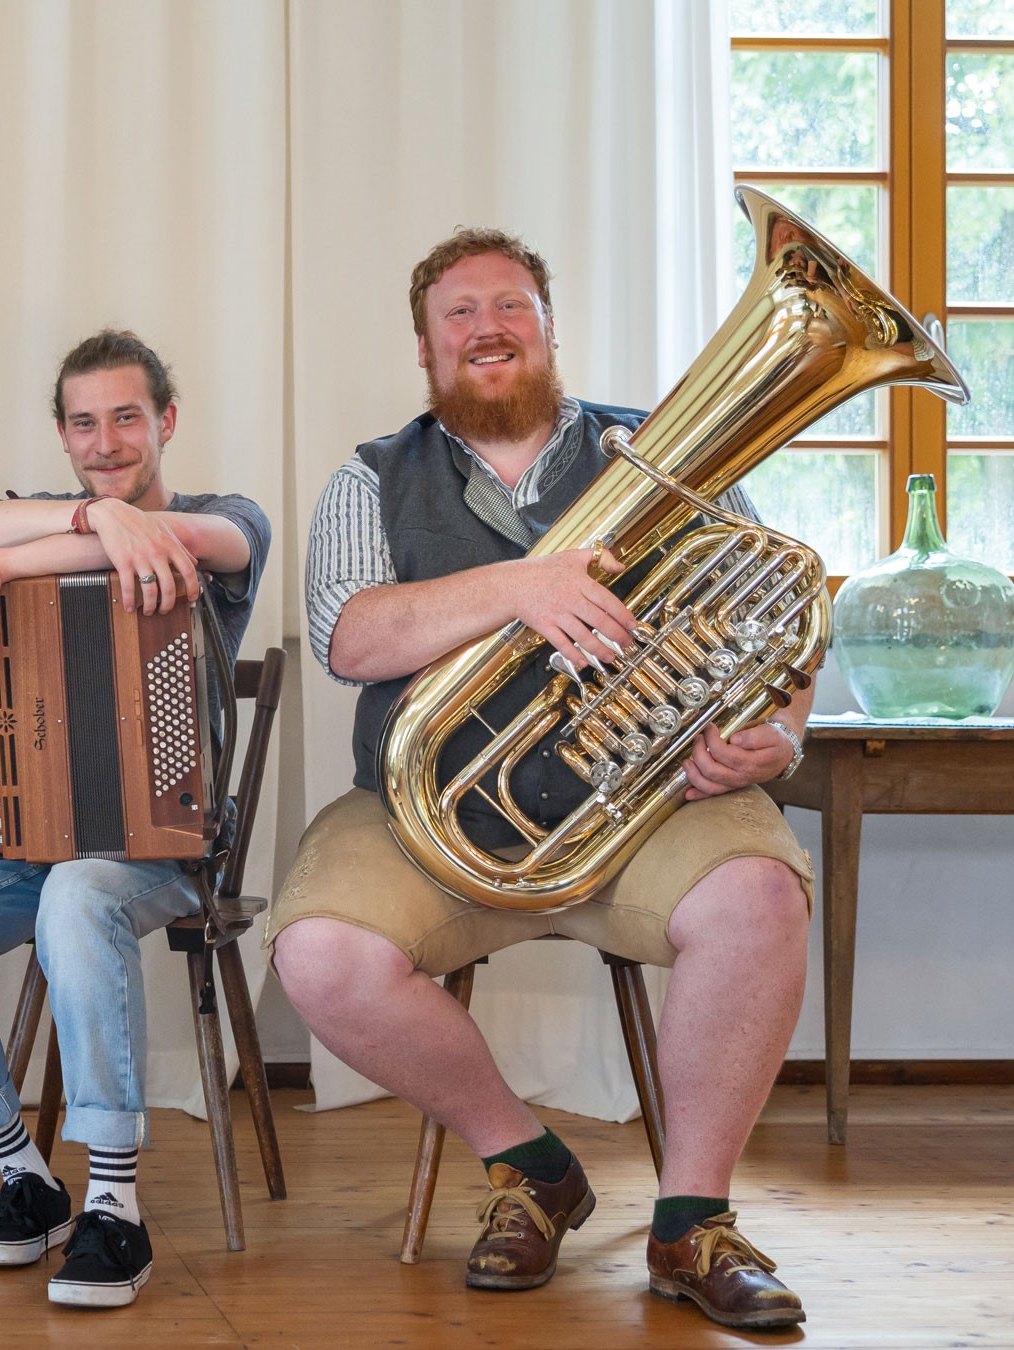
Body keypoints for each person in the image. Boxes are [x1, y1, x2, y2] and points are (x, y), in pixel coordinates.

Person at [274, 228, 812, 1330]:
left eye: (511, 306)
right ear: (425, 349)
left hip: (647, 800)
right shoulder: (367, 477)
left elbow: (776, 617)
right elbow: (351, 636)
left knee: (760, 895)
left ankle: (693, 1221)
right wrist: (523, 587)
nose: (488, 328)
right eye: (459, 314)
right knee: (320, 954)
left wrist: (781, 736)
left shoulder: (660, 448)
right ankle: (528, 1166)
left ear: (549, 328)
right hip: (431, 816)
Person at [0, 330, 270, 1307]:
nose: (106, 439)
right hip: (25, 844)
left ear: (165, 421)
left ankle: (114, 1205)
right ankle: (28, 1178)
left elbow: (201, 545)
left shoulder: (226, 516)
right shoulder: (45, 505)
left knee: (82, 893)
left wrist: (7, 571)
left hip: (160, 850)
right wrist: (94, 520)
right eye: (83, 422)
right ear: (62, 433)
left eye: (126, 417)